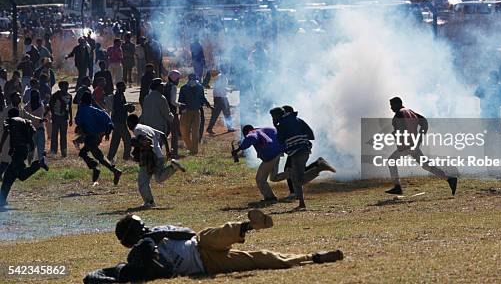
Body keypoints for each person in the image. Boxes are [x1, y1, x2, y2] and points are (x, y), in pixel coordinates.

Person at [83, 211, 343, 282]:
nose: (145, 229)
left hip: (201, 244)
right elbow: (150, 271)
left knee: (215, 234)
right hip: (206, 264)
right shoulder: (138, 253)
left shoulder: (162, 231)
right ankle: (311, 257)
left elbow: (190, 232)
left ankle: (250, 226)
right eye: (140, 228)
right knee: (257, 259)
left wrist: (160, 233)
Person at [384, 97, 457, 196]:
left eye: (392, 105)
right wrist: (419, 138)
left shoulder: (399, 114)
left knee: (391, 161)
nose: (391, 108)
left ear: (398, 104)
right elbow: (424, 122)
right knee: (426, 165)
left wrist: (397, 135)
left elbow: (403, 130)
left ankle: (397, 187)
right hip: (413, 145)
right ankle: (450, 179)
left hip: (407, 146)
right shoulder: (410, 112)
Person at [127, 114, 185, 208]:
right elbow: (162, 135)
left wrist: (135, 142)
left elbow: (146, 140)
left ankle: (149, 202)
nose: (128, 126)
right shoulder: (145, 127)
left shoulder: (137, 129)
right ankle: (173, 166)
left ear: (130, 123)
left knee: (143, 181)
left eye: (128, 123)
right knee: (159, 177)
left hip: (150, 157)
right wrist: (167, 151)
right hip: (159, 155)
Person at [269, 107, 319, 210]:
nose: (273, 119)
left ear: (277, 116)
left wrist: (277, 126)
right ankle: (301, 203)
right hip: (303, 149)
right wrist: (301, 138)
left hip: (297, 152)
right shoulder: (297, 120)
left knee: (298, 178)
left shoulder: (282, 124)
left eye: (273, 117)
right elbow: (311, 135)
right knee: (296, 177)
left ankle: (319, 166)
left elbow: (280, 140)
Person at [0, 108, 49, 207]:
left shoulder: (9, 120)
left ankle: (1, 201)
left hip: (18, 152)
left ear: (9, 115)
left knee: (8, 177)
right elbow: (33, 132)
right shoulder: (25, 121)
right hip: (23, 151)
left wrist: (0, 146)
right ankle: (38, 165)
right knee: (21, 175)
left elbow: (6, 131)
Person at [74, 92, 123, 185]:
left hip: (90, 136)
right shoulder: (96, 110)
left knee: (95, 155)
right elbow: (109, 121)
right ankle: (101, 168)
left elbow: (78, 122)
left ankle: (109, 170)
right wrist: (107, 133)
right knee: (90, 153)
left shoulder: (82, 110)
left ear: (82, 101)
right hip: (98, 136)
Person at [178, 73, 211, 155]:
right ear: (188, 80)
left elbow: (202, 98)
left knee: (195, 132)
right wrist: (181, 110)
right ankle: (190, 147)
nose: (192, 81)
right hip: (186, 112)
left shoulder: (200, 87)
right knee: (185, 132)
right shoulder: (183, 88)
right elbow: (180, 101)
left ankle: (194, 150)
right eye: (191, 80)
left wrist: (207, 104)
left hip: (196, 112)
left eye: (194, 80)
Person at [108, 82, 135, 162]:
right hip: (119, 122)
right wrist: (127, 107)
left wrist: (127, 107)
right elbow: (118, 108)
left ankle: (110, 157)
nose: (125, 87)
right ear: (119, 87)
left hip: (118, 121)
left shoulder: (120, 95)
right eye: (123, 86)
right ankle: (126, 156)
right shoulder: (118, 96)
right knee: (128, 139)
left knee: (115, 141)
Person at [207, 68, 235, 135]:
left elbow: (218, 87)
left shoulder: (219, 76)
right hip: (222, 97)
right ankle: (230, 127)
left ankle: (209, 128)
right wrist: (230, 90)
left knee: (215, 114)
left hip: (216, 97)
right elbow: (223, 88)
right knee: (227, 113)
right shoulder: (224, 78)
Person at [49, 81, 72, 157]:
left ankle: (64, 151)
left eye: (67, 86)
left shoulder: (69, 96)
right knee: (54, 135)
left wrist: (71, 118)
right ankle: (53, 151)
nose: (66, 88)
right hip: (56, 116)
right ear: (60, 87)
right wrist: (53, 115)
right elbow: (51, 105)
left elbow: (70, 107)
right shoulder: (55, 95)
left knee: (63, 135)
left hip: (64, 117)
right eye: (64, 87)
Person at [24, 89, 46, 162]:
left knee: (40, 149)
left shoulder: (40, 106)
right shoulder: (26, 107)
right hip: (31, 131)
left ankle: (39, 163)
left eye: (36, 95)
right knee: (31, 150)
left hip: (39, 129)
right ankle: (30, 163)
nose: (34, 97)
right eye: (33, 95)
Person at [163, 70, 181, 157]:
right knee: (174, 132)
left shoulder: (165, 85)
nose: (178, 81)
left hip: (165, 111)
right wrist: (180, 105)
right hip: (172, 112)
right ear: (174, 79)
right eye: (178, 79)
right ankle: (174, 152)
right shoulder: (173, 87)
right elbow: (173, 101)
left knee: (165, 132)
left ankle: (157, 148)